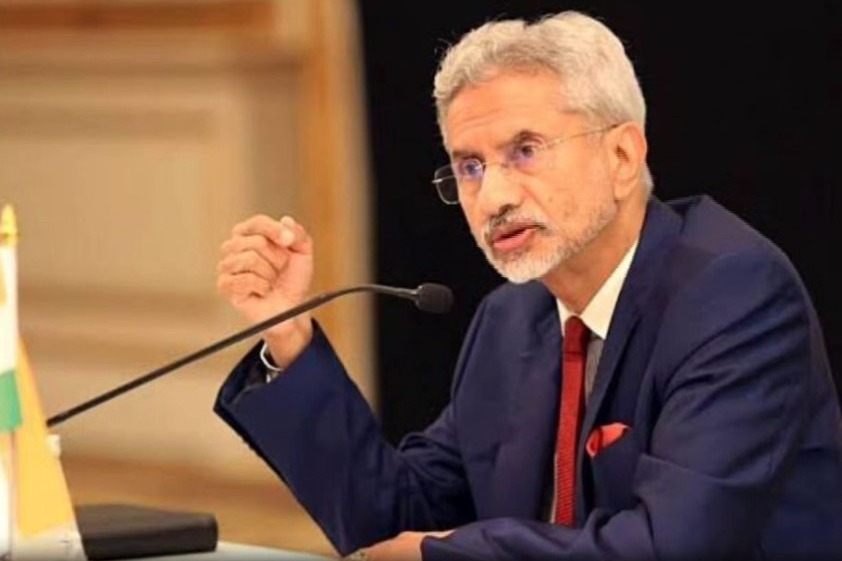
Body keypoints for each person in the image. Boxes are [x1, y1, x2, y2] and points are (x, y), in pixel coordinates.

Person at [213, 10, 842, 561]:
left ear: (622, 158)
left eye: (526, 150)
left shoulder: (732, 295)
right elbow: (394, 520)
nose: (494, 197)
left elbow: (671, 545)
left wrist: (444, 552)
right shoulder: (512, 318)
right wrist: (290, 336)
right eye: (470, 166)